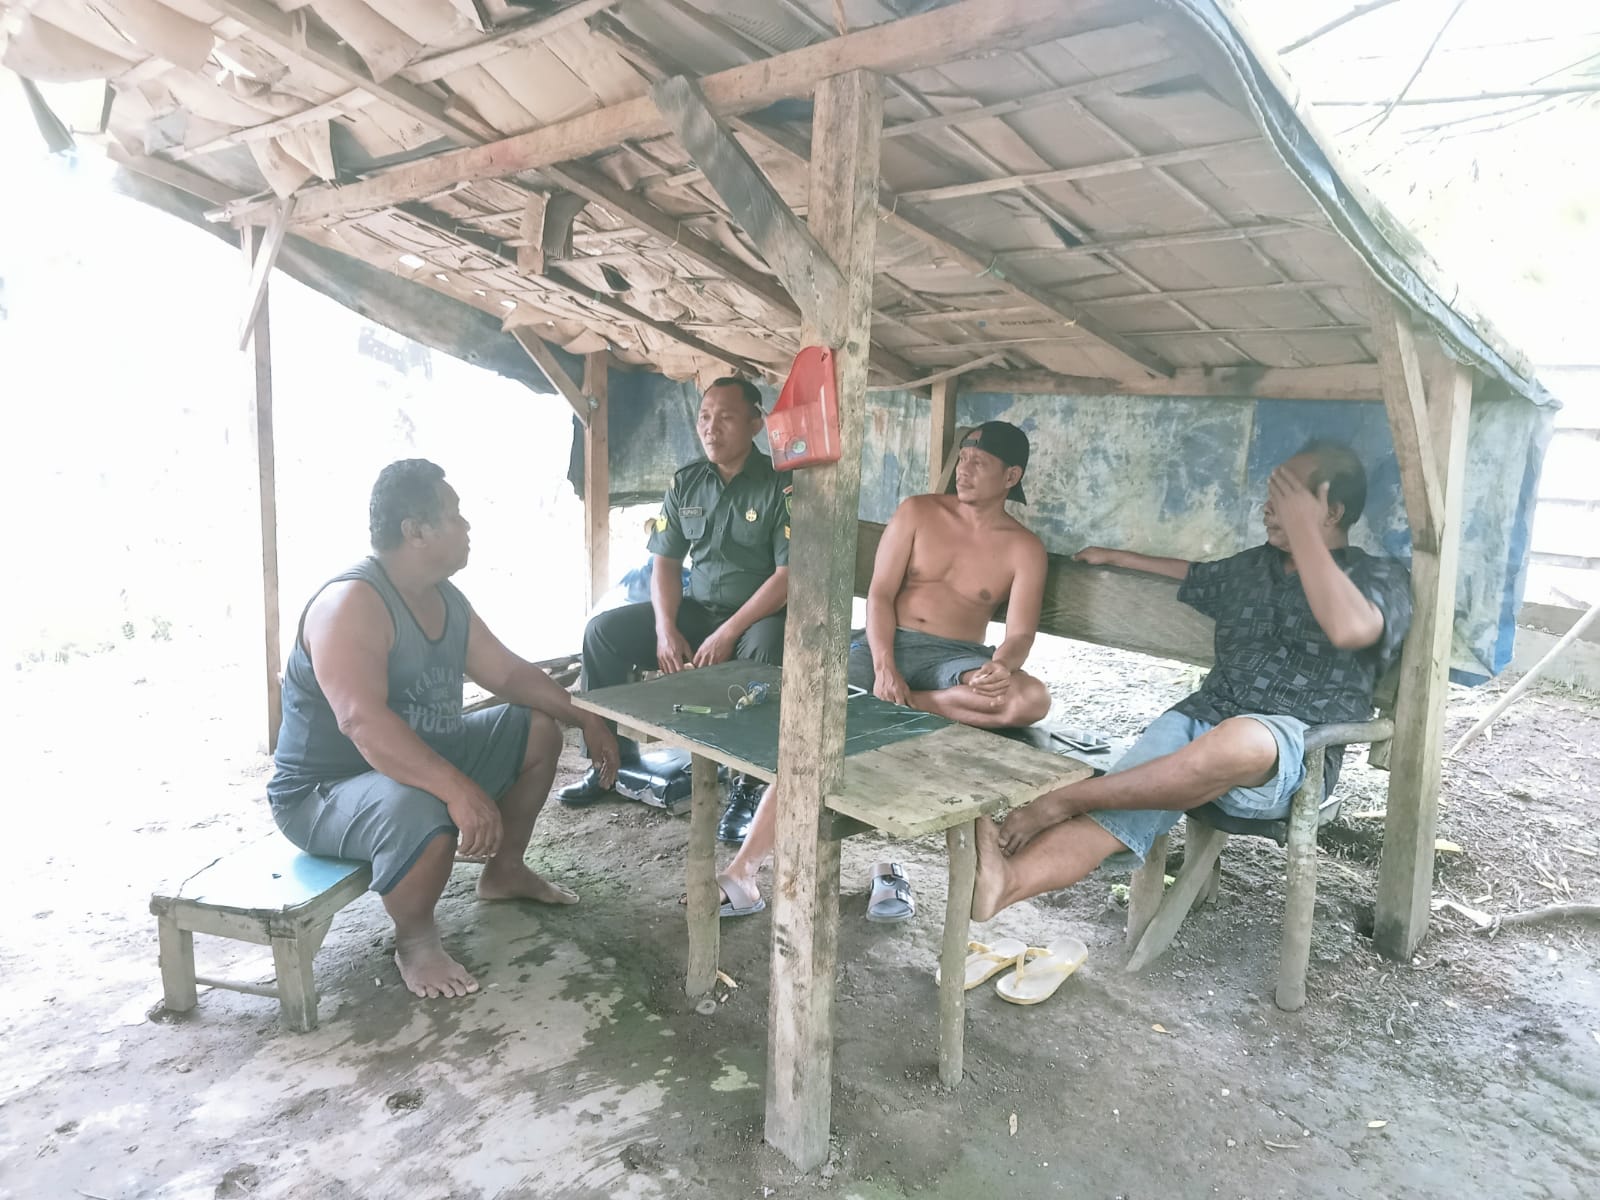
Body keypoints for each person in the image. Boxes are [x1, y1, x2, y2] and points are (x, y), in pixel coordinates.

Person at [970, 441, 1413, 923]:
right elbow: (1195, 575)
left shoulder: (1380, 576)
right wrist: (1117, 556)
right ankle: (1005, 883)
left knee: (1236, 740)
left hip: (1294, 750)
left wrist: (1305, 534)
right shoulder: (1254, 566)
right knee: (1125, 803)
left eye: (1285, 497)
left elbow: (1351, 629)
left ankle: (1066, 799)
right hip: (1203, 719)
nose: (1267, 508)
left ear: (1333, 511)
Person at [268, 460, 620, 1000]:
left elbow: (508, 674)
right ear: (415, 531)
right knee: (423, 804)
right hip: (323, 791)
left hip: (416, 757)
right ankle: (415, 940)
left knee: (535, 729)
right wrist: (457, 788)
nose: (467, 526)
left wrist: (585, 716)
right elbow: (362, 722)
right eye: (454, 515)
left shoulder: (443, 597)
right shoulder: (351, 604)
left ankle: (505, 872)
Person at [715, 421, 1051, 921]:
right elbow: (879, 595)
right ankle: (743, 872)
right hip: (886, 642)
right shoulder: (918, 512)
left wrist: (1000, 666)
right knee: (817, 730)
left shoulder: (1024, 548)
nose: (964, 470)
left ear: (1011, 476)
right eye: (963, 459)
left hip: (955, 660)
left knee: (1031, 699)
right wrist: (884, 664)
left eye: (979, 463)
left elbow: (1020, 634)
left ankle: (906, 707)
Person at [558, 378, 790, 843]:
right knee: (603, 632)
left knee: (767, 649)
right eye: (704, 417)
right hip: (697, 613)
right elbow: (664, 562)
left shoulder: (780, 486)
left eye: (725, 417)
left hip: (753, 621)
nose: (711, 428)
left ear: (755, 424)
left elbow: (787, 577)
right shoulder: (687, 482)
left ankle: (748, 785)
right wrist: (665, 629)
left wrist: (729, 633)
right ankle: (607, 761)